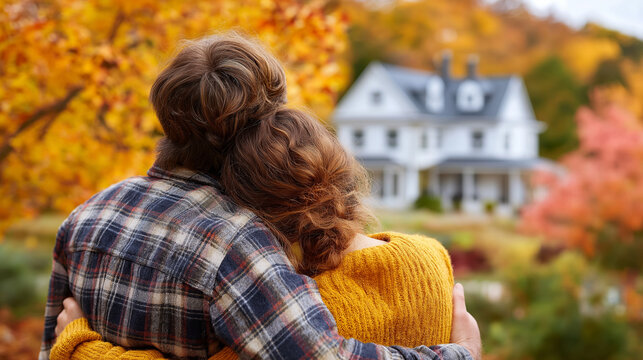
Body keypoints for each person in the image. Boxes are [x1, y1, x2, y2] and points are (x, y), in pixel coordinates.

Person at [39, 31, 480, 360]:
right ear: (265, 124)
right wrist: (460, 353)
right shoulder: (236, 242)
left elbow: (51, 346)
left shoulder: (86, 216)